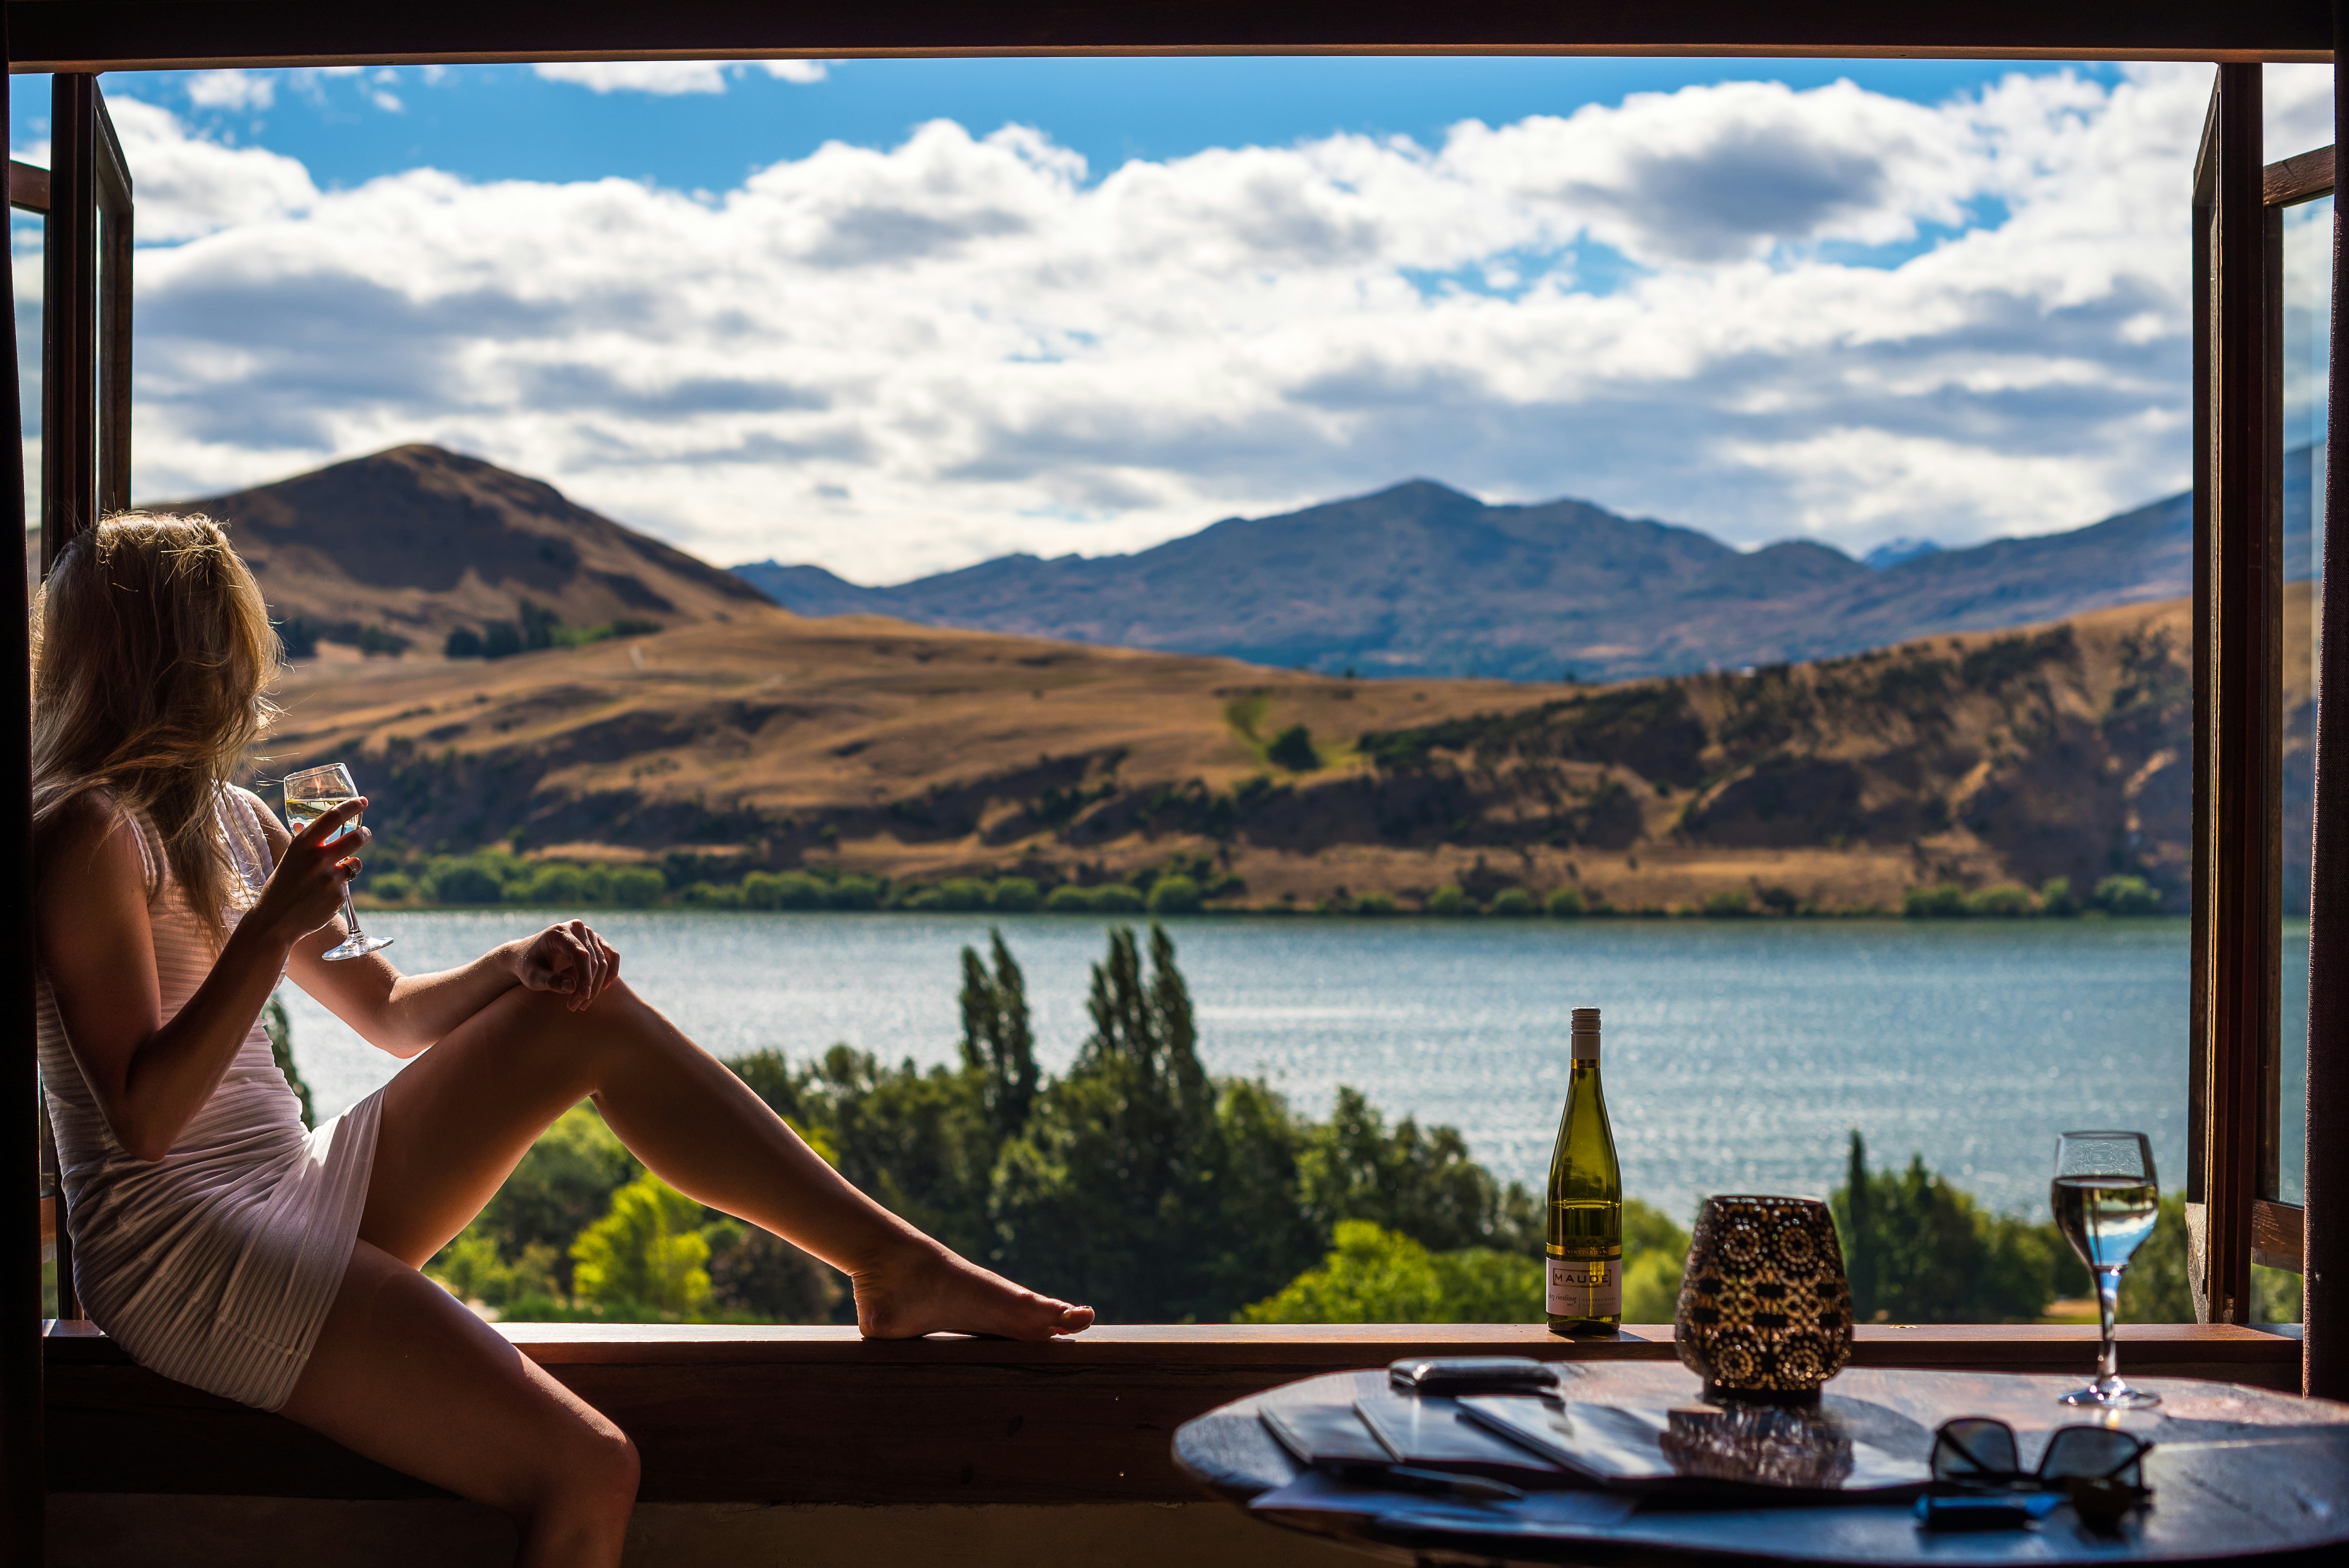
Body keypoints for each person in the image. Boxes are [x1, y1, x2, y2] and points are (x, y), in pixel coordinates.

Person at [32, 514, 1093, 1566]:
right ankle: (898, 1269)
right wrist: (269, 930)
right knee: (590, 1468)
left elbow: (391, 1017)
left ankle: (893, 1263)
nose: (242, 662)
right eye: (225, 631)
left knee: (578, 1012)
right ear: (172, 652)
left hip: (288, 1182)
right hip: (178, 1242)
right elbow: (146, 1122)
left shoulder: (237, 819)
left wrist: (512, 964)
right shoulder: (86, 830)